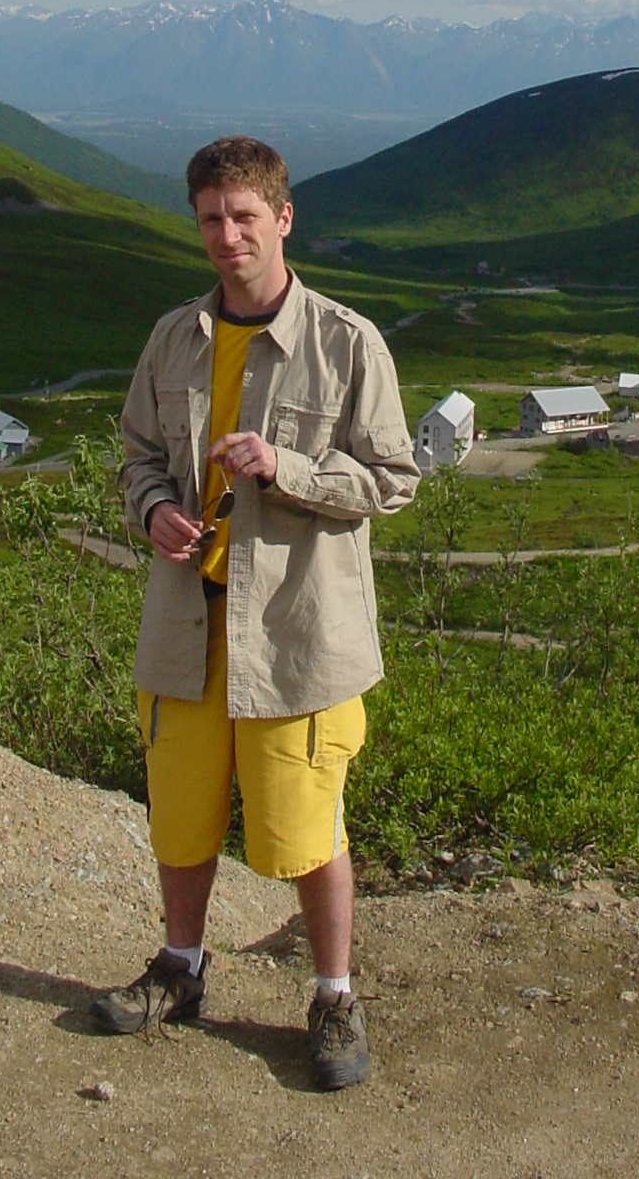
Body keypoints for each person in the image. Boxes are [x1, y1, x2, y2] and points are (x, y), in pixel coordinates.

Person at [91, 135, 419, 1088]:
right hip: (186, 627)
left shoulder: (347, 342)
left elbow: (393, 481)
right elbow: (138, 456)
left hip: (295, 634)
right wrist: (153, 508)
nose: (227, 235)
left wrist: (288, 468)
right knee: (181, 818)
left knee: (306, 824)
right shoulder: (173, 339)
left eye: (244, 217)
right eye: (210, 218)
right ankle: (180, 970)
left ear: (283, 218)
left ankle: (335, 996)